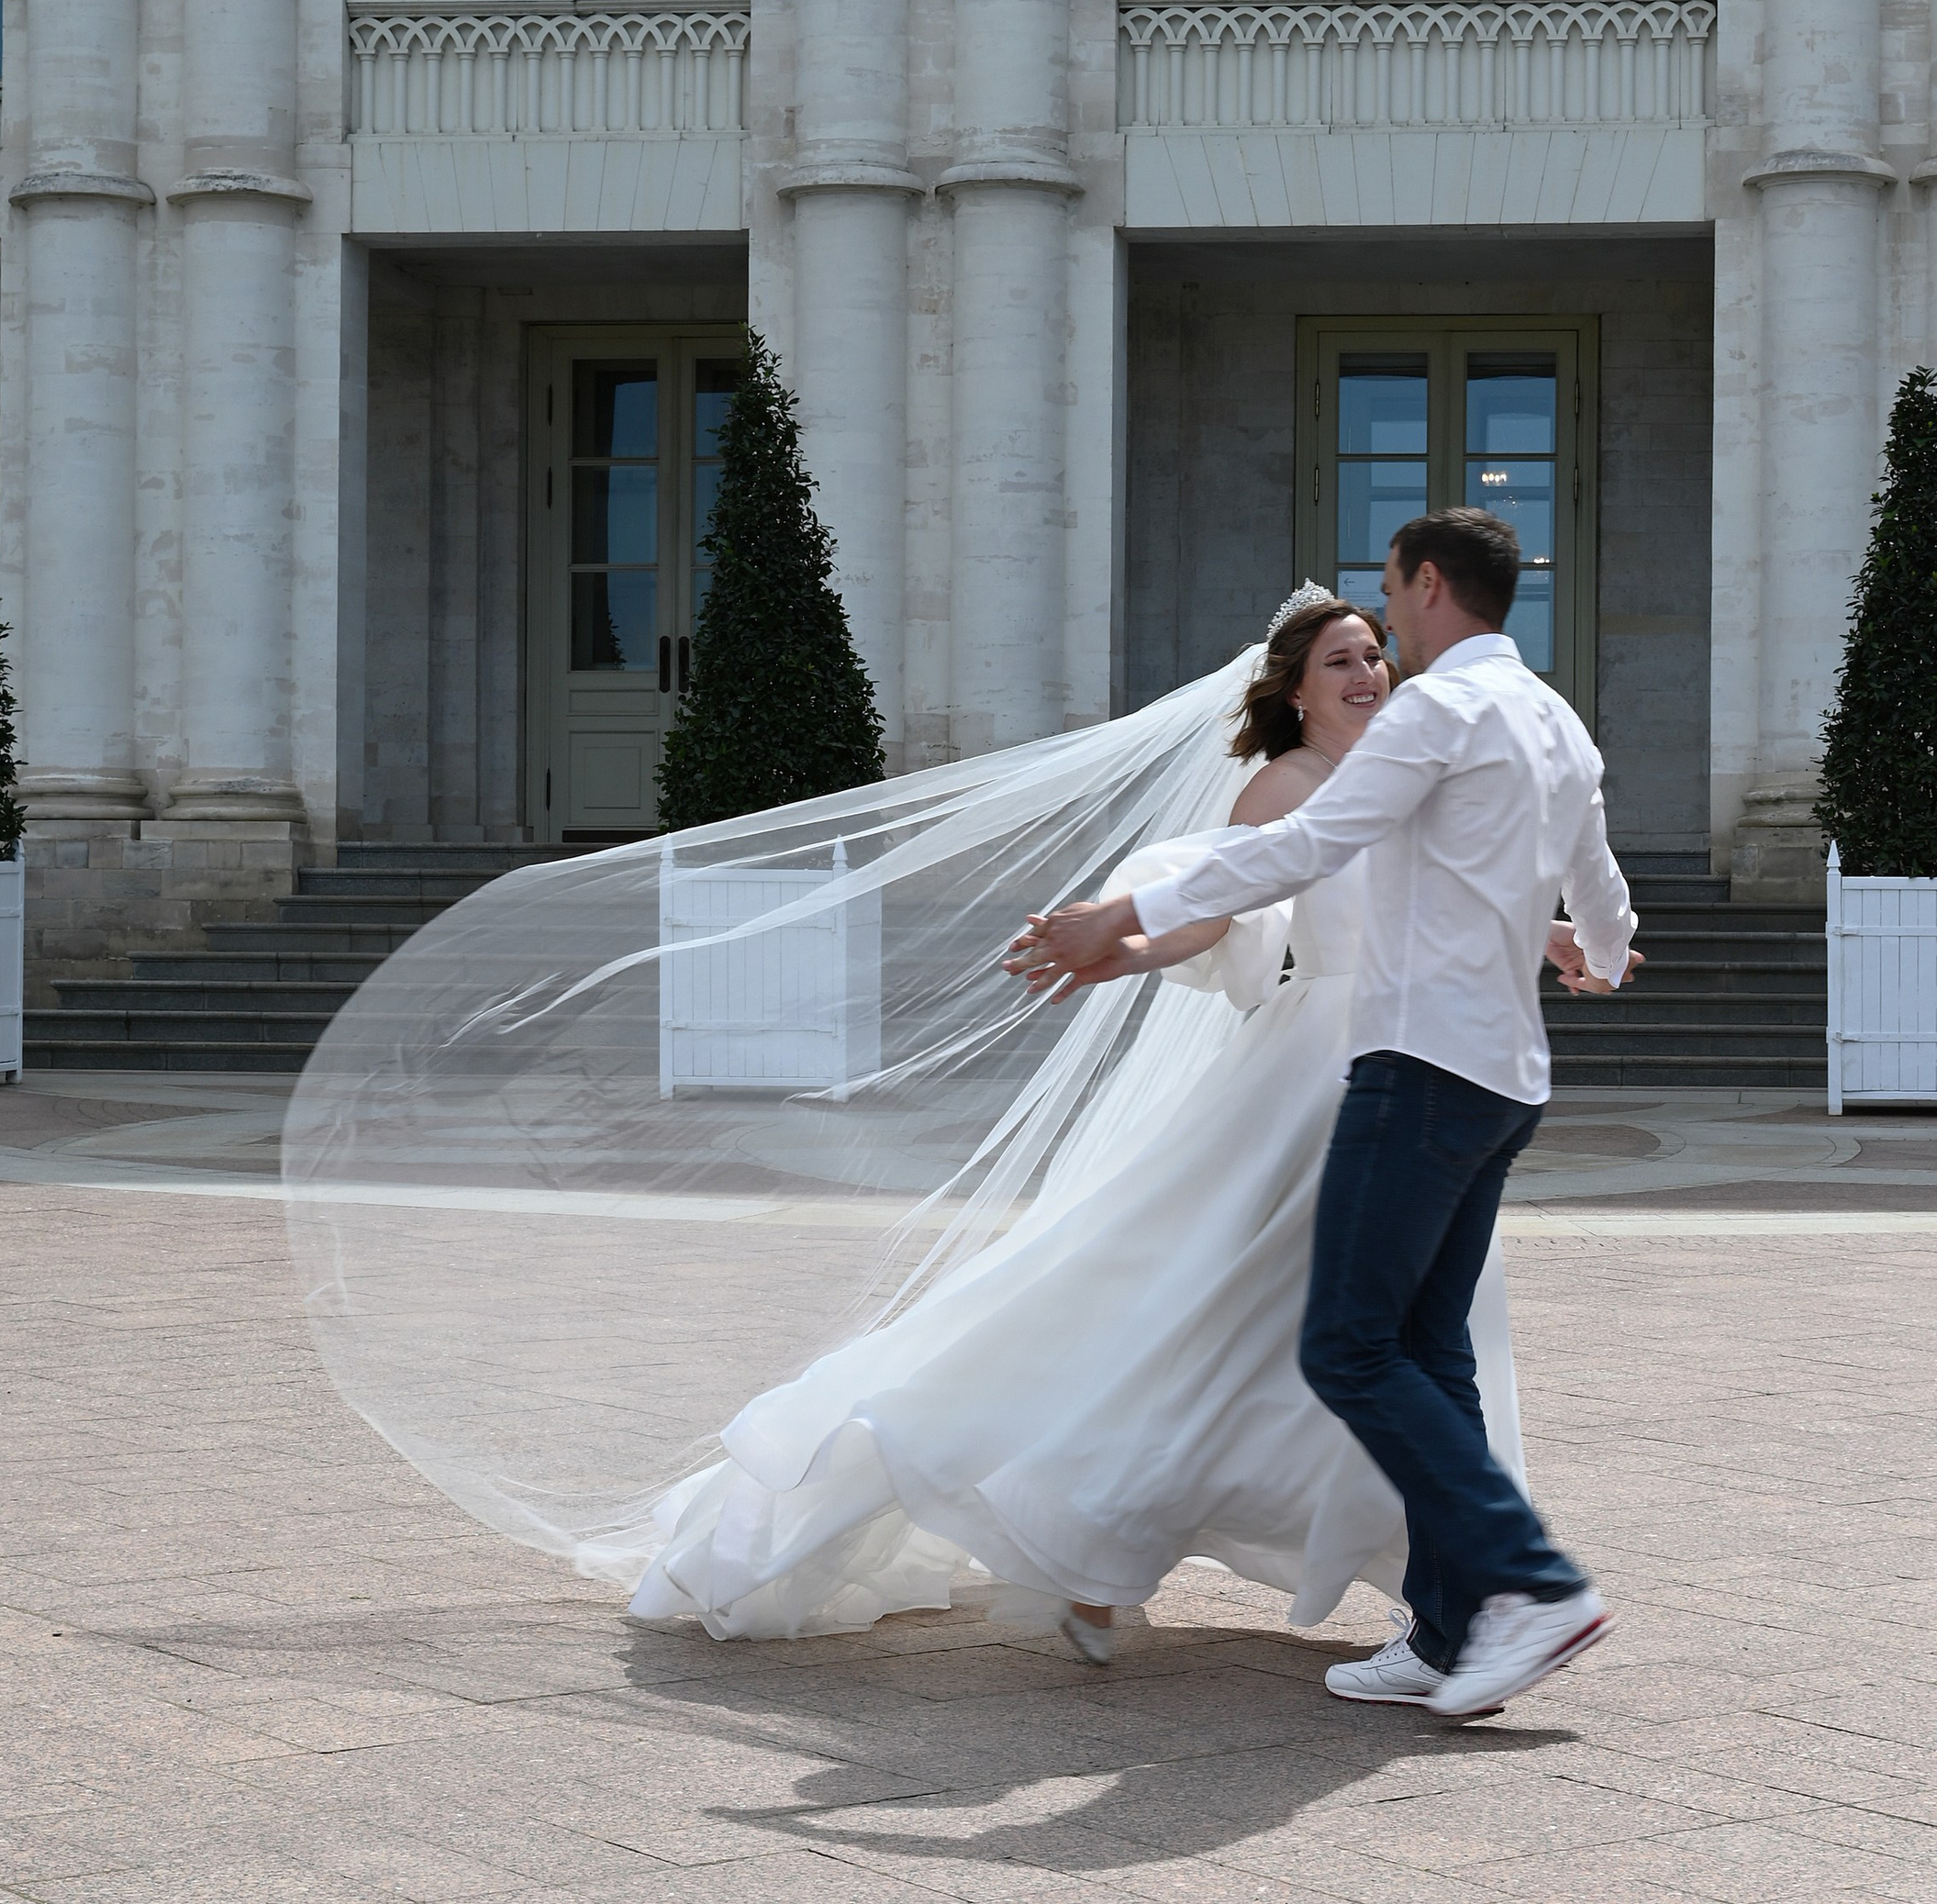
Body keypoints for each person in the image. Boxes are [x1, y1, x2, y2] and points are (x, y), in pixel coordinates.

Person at [626, 587, 1529, 1663]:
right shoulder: (1279, 788)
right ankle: (1093, 1541)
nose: (1365, 675)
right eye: (1339, 660)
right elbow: (1208, 917)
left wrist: (1548, 933)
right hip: (1318, 1073)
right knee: (1203, 1315)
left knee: (1398, 1333)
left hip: (1420, 1056)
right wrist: (1114, 950)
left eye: (1373, 655)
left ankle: (1435, 1581)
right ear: (1294, 688)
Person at [1015, 509, 1640, 1722]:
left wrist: (1122, 902)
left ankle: (1532, 1585)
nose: (1382, 634)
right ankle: (1450, 1625)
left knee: (1348, 1347)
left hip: (1418, 1066)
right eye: (1344, 651)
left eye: (1391, 601)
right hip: (1504, 1070)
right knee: (1431, 1352)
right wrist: (1596, 951)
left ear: (1427, 584)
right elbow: (1589, 874)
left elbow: (1310, 847)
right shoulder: (1551, 716)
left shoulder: (1437, 714)